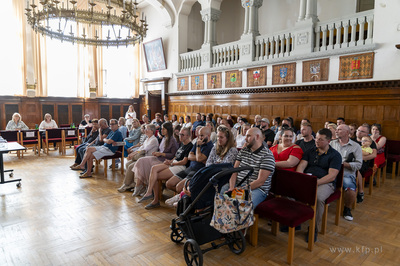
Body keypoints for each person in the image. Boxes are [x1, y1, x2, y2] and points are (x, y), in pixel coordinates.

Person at [296, 128, 342, 242]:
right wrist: (301, 178)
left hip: (325, 182)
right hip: (308, 179)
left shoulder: (335, 155)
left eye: (320, 139)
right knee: (292, 190)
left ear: (329, 141)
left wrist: (315, 183)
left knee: (318, 198)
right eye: (316, 138)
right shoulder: (310, 151)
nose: (317, 141)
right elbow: (301, 166)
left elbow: (331, 176)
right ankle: (296, 221)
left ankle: (313, 228)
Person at [137, 127, 193, 208]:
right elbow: (176, 156)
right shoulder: (182, 144)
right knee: (154, 169)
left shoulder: (190, 145)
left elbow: (184, 161)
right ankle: (149, 193)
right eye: (179, 134)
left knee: (155, 176)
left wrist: (173, 164)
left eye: (182, 135)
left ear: (187, 136)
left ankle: (155, 199)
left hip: (181, 166)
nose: (180, 136)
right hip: (174, 163)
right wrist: (170, 161)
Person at [226, 127, 275, 209]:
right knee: (220, 195)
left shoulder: (267, 155)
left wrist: (239, 190)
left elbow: (260, 182)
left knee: (241, 206)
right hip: (238, 184)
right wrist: (231, 187)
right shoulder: (244, 150)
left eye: (248, 136)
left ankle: (238, 221)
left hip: (257, 189)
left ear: (257, 137)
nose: (245, 139)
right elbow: (234, 171)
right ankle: (221, 220)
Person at [132, 122, 179, 200]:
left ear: (168, 130)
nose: (161, 130)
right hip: (159, 158)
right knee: (141, 161)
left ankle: (146, 188)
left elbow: (173, 155)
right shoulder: (164, 138)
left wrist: (161, 154)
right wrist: (157, 153)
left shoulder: (172, 140)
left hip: (165, 160)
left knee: (149, 166)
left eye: (163, 129)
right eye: (161, 128)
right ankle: (139, 185)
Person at [165, 126, 214, 195]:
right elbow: (189, 156)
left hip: (197, 171)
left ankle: (182, 198)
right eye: (199, 135)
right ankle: (181, 196)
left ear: (208, 135)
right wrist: (197, 157)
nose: (199, 137)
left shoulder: (210, 146)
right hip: (189, 168)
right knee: (169, 184)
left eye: (202, 135)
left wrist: (198, 147)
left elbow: (199, 159)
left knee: (179, 187)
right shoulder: (198, 142)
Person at [330, 124, 362, 221]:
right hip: (331, 170)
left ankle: (347, 208)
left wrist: (344, 164)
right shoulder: (331, 143)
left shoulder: (356, 146)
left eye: (339, 130)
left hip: (346, 172)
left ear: (347, 133)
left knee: (350, 190)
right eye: (337, 129)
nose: (336, 131)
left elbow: (358, 165)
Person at [117, 124, 159, 192]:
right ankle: (132, 183)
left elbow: (144, 149)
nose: (145, 130)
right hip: (143, 158)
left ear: (152, 131)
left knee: (131, 166)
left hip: (149, 160)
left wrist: (133, 154)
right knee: (128, 164)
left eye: (147, 129)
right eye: (145, 129)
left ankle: (126, 184)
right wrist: (132, 154)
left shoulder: (153, 140)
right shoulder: (147, 139)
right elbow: (140, 148)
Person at [354, 123, 377, 203]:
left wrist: (360, 159)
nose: (359, 132)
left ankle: (360, 191)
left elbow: (374, 154)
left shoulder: (370, 142)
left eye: (362, 131)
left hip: (363, 163)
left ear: (367, 134)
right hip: (351, 161)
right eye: (358, 130)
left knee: (355, 169)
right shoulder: (352, 140)